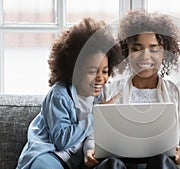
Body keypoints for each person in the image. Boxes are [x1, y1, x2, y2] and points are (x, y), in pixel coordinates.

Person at [85, 11, 180, 169]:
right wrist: (89, 150)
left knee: (161, 162)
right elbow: (92, 136)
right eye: (137, 49)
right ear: (127, 52)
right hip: (120, 164)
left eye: (154, 49)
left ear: (164, 53)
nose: (145, 56)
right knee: (112, 165)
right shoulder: (108, 90)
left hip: (163, 164)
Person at [16, 18, 122, 169]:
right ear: (75, 70)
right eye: (92, 71)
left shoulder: (101, 96)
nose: (100, 78)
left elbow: (91, 135)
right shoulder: (59, 95)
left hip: (72, 162)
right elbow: (61, 141)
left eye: (105, 71)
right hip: (48, 156)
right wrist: (96, 115)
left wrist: (89, 151)